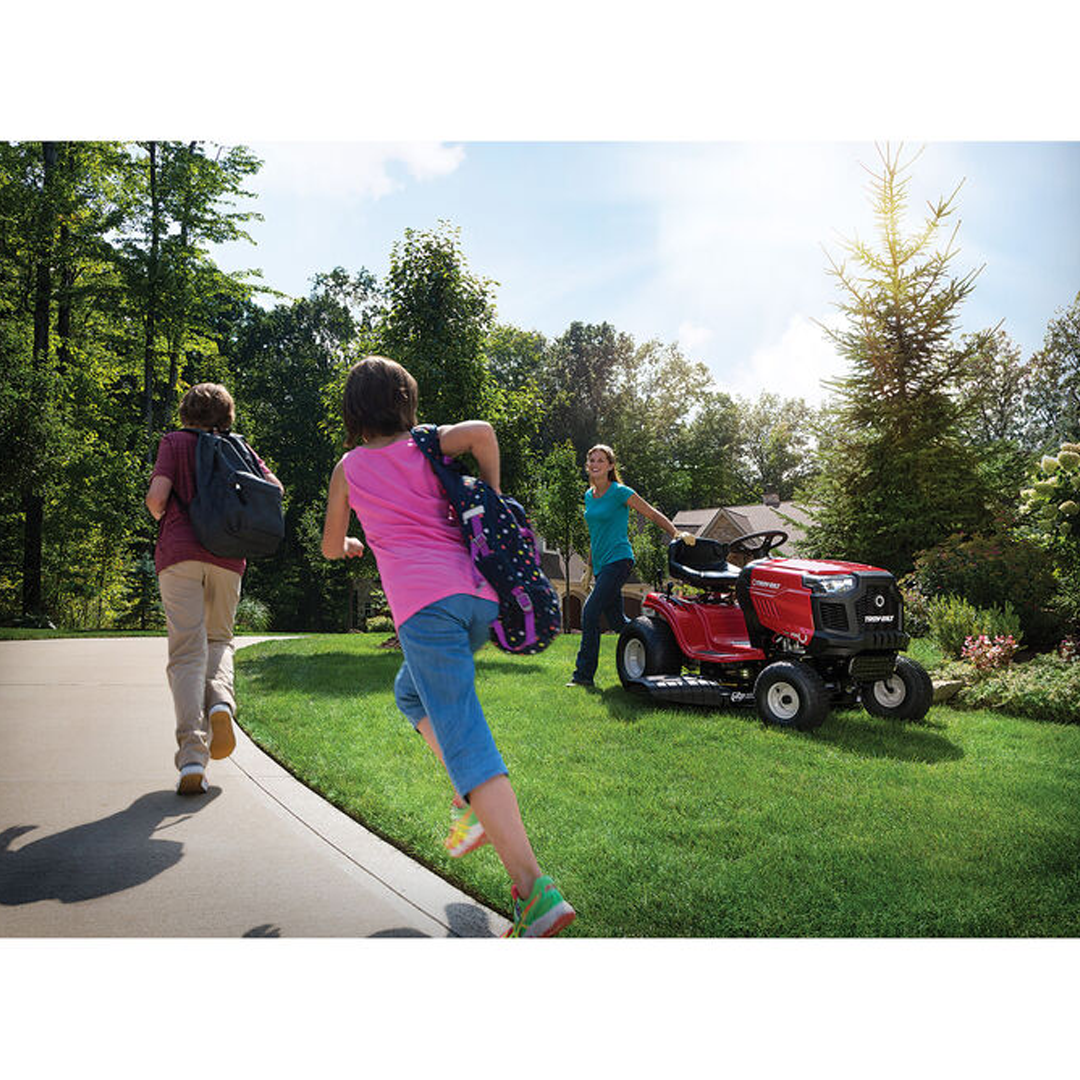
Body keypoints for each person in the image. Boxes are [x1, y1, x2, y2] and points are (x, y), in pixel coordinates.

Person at [321, 355, 575, 938]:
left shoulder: (348, 468)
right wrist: (493, 494)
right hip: (479, 601)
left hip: (425, 610)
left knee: (465, 737)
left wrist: (356, 544)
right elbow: (483, 433)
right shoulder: (428, 443)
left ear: (354, 413)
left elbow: (332, 547)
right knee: (410, 694)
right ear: (406, 403)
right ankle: (468, 801)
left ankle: (534, 890)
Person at [145, 383, 284, 795]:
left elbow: (157, 499)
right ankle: (221, 701)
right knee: (219, 639)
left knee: (186, 651)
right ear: (227, 415)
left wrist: (168, 515)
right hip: (228, 556)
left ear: (186, 412)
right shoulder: (239, 447)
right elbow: (274, 489)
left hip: (179, 555)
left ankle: (192, 756)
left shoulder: (173, 443)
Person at [567, 443, 694, 688]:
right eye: (591, 460)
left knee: (590, 611)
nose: (595, 464)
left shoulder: (620, 492)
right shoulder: (589, 496)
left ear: (610, 466)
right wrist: (589, 568)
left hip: (619, 560)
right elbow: (596, 534)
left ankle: (583, 676)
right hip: (602, 565)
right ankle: (661, 644)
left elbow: (651, 513)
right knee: (619, 623)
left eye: (600, 460)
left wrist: (675, 532)